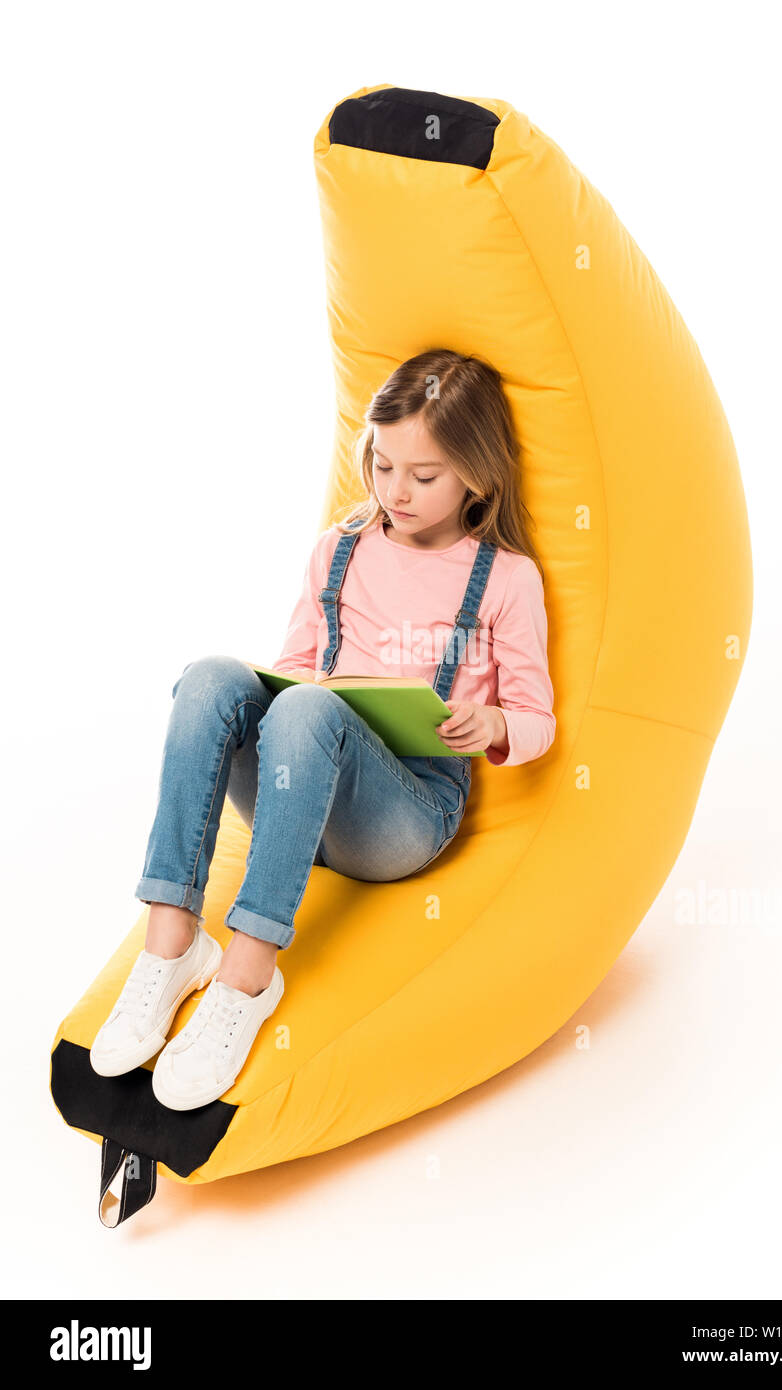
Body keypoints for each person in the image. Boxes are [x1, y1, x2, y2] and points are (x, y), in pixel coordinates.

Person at [90, 348, 556, 1109]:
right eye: (381, 464)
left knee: (311, 709)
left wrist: (495, 722)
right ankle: (172, 940)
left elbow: (538, 719)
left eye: (424, 475)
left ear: (477, 474)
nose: (394, 490)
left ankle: (246, 977)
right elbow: (293, 668)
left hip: (404, 813)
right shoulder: (337, 549)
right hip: (293, 788)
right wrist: (295, 692)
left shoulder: (504, 578)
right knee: (214, 674)